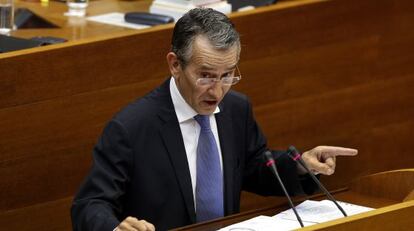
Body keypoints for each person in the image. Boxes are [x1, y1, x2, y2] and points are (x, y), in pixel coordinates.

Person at [71, 8, 357, 231]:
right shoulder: (131, 128)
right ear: (175, 65)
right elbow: (89, 204)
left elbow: (255, 167)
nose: (218, 91)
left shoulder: (236, 109)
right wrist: (114, 227)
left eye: (227, 75)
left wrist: (301, 167)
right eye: (206, 76)